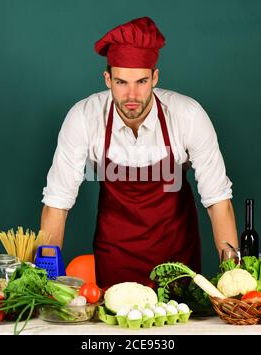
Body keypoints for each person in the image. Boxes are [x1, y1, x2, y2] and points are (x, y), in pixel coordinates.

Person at [40, 17, 238, 288]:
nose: (132, 95)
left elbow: (219, 202)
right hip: (113, 262)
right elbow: (57, 205)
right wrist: (43, 280)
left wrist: (233, 277)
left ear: (155, 77)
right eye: (121, 82)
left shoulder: (187, 115)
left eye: (142, 81)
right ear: (107, 79)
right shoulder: (84, 117)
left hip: (178, 265)